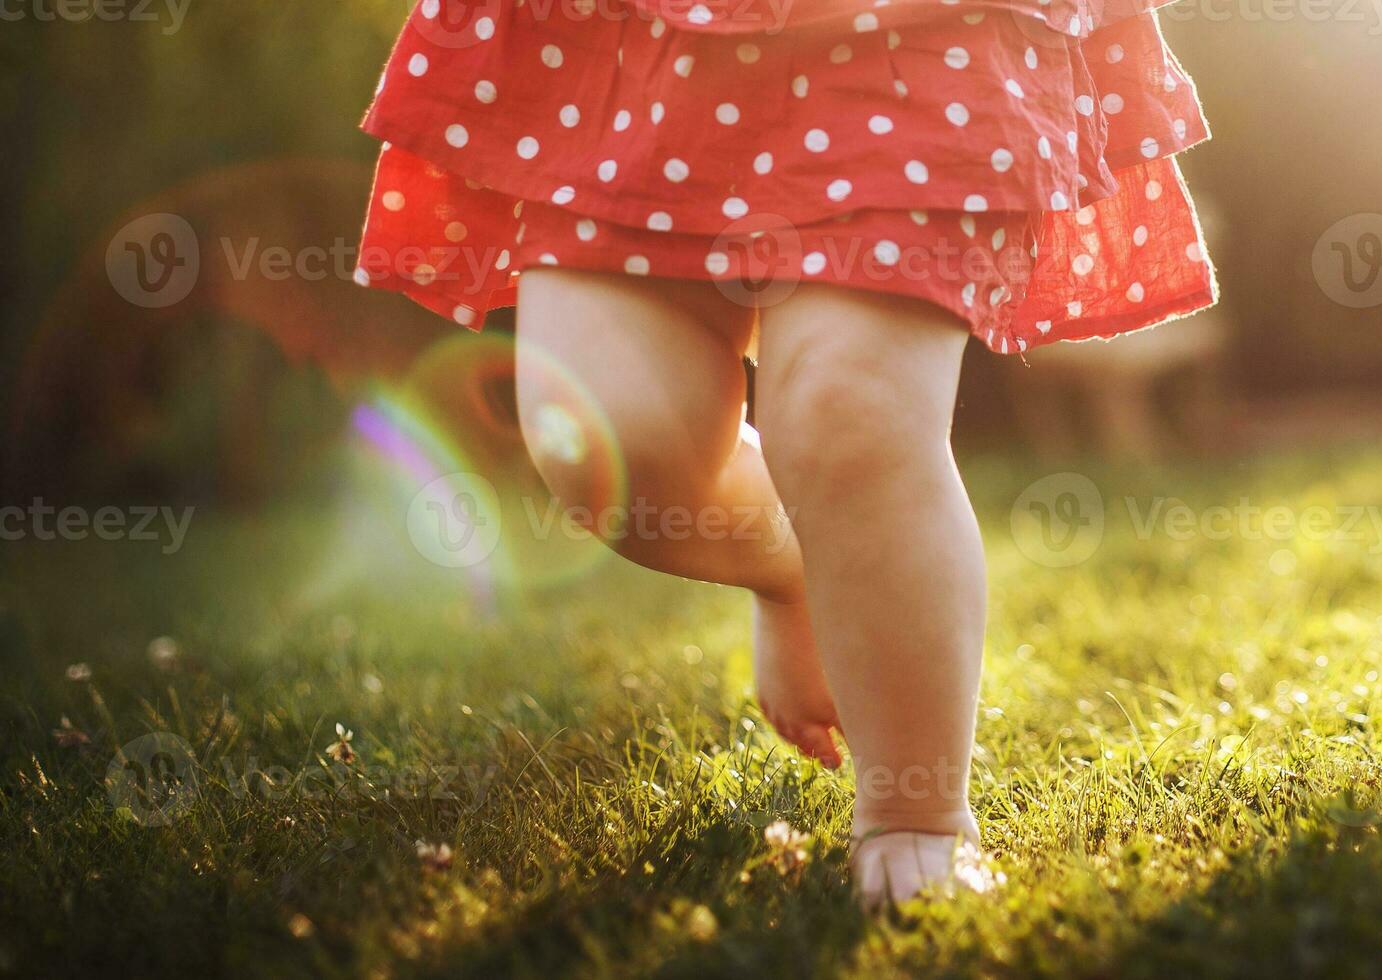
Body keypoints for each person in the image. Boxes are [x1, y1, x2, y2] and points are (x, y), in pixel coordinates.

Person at [352, 0, 1215, 907]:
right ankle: (805, 556)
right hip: (635, 50)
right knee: (615, 449)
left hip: (922, 40)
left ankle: (917, 819)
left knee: (855, 415)